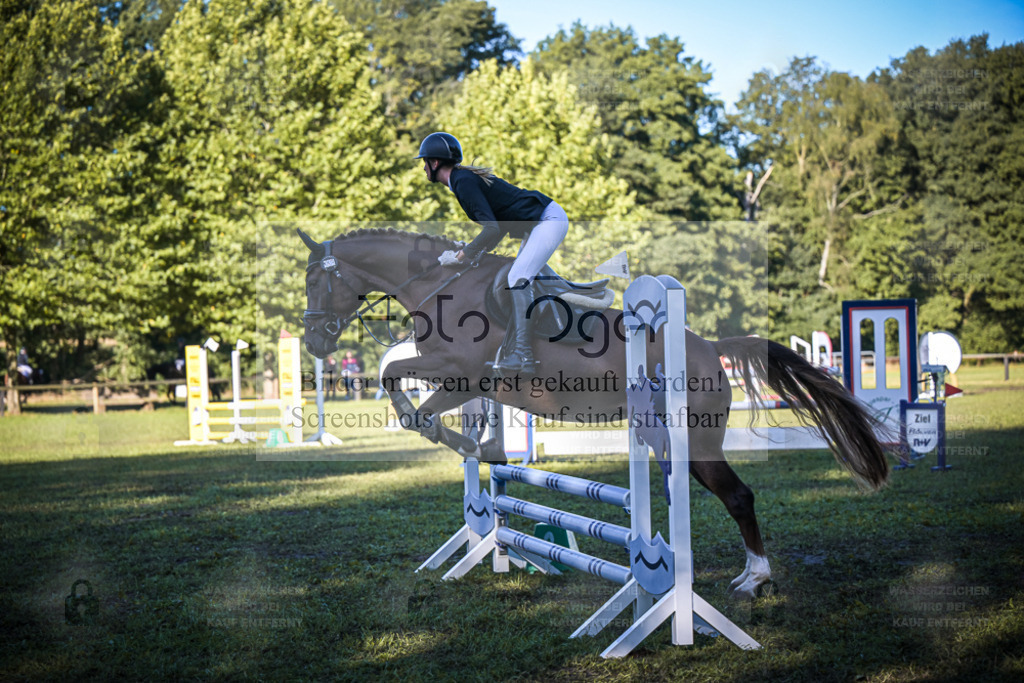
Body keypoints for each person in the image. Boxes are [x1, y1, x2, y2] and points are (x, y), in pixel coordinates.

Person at [416, 131, 568, 375]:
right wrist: (471, 253)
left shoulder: (462, 181)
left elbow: (492, 229)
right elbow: (498, 228)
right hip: (538, 223)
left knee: (517, 278)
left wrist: (462, 255)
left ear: (434, 163)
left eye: (424, 162)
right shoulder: (461, 180)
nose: (423, 168)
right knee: (517, 277)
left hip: (547, 220)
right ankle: (525, 345)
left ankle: (523, 355)